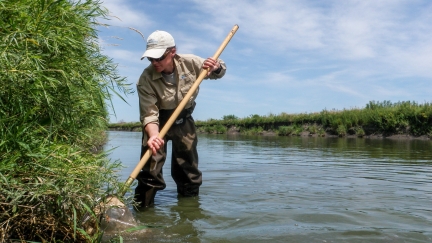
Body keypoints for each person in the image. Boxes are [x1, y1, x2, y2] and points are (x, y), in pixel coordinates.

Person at [134, 30, 227, 207]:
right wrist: (153, 136)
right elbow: (149, 114)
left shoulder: (190, 62)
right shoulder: (145, 79)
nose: (154, 63)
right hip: (158, 124)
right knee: (149, 172)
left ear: (172, 52)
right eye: (150, 59)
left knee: (188, 171)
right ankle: (142, 213)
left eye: (159, 58)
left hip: (184, 120)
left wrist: (216, 68)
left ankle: (189, 214)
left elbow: (220, 69)